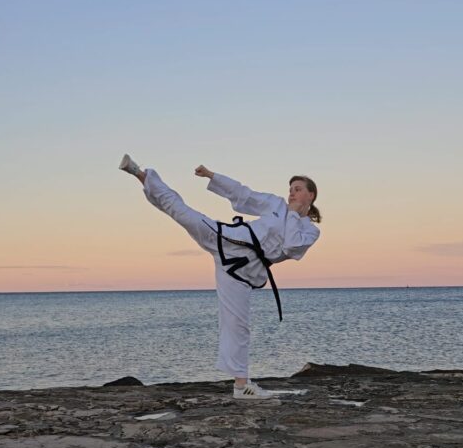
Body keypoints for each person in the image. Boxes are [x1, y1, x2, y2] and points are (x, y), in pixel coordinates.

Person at [119, 154, 321, 399]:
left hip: (241, 272)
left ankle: (241, 386)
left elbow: (290, 247)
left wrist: (292, 214)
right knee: (181, 212)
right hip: (227, 240)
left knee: (238, 325)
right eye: (290, 189)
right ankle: (140, 173)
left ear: (310, 195)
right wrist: (213, 176)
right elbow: (243, 195)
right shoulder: (276, 204)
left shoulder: (310, 230)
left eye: (297, 189)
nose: (291, 193)